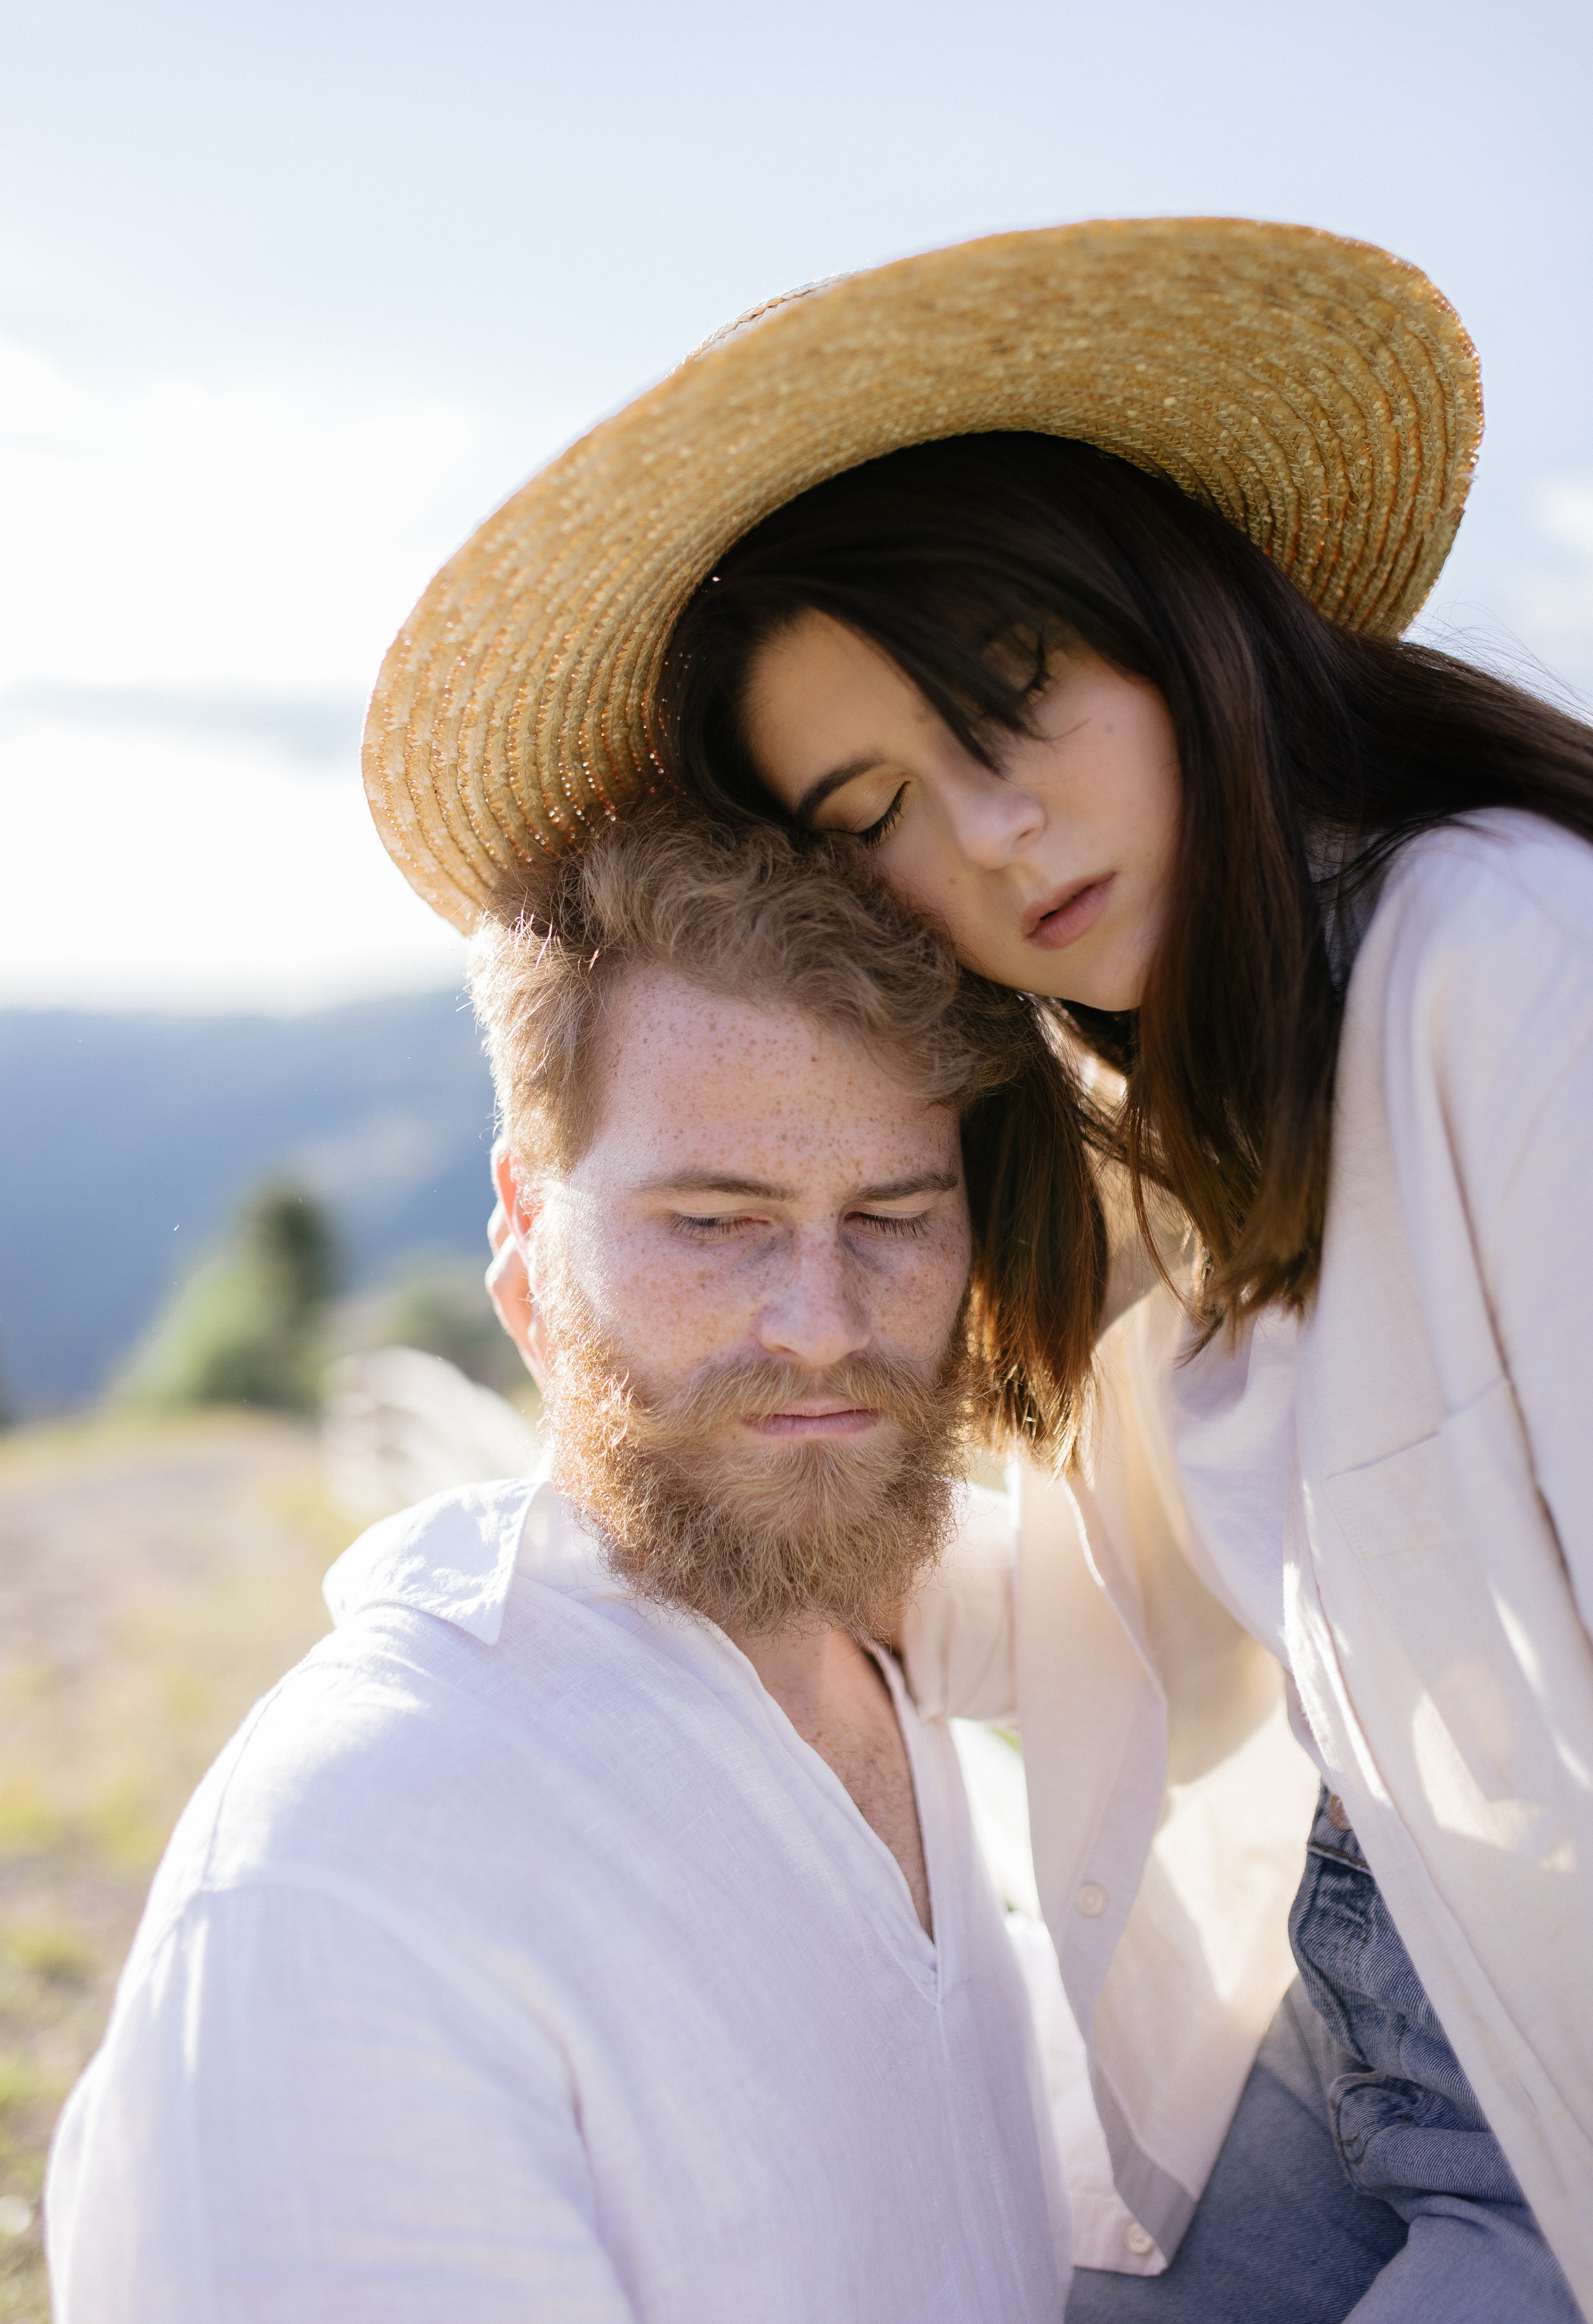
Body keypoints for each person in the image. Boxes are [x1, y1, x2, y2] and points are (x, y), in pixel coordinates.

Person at [362, 220, 1593, 2318]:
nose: (995, 839)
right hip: (1350, 2006)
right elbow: (1183, 1601)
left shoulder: (1501, 957)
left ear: (1174, 608)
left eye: (1016, 694)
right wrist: (707, 1493)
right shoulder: (1165, 1101)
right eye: (876, 816)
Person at [45, 813, 1077, 2322]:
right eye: (713, 1220)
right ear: (527, 1247)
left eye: (892, 1216)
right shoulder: (348, 1876)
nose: (821, 1323)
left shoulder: (874, 1643)